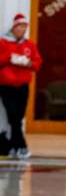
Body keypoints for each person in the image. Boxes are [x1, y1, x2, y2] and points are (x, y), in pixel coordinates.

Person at [0, 14, 42, 159]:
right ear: (14, 27)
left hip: (23, 86)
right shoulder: (3, 43)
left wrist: (29, 63)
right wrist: (10, 58)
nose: (22, 30)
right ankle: (22, 147)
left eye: (24, 27)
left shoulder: (30, 45)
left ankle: (13, 146)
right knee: (13, 116)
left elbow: (37, 64)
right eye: (20, 26)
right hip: (6, 85)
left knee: (18, 116)